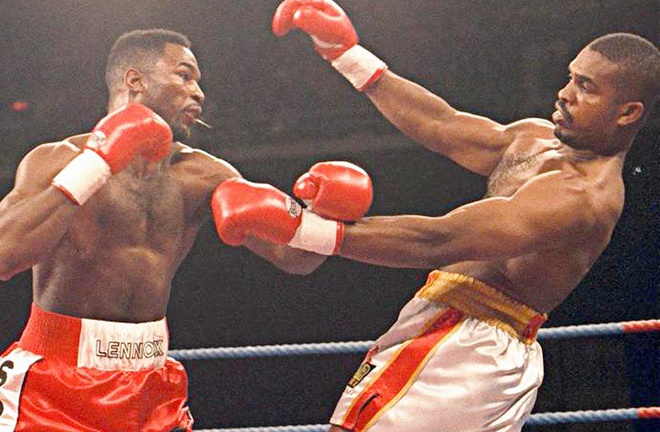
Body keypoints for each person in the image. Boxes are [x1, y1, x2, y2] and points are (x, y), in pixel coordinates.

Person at [211, 1, 660, 431]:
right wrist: (347, 55)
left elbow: (440, 241)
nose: (565, 93)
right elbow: (442, 125)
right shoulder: (535, 138)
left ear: (628, 112)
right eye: (570, 78)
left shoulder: (582, 197)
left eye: (586, 86)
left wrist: (301, 228)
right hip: (444, 322)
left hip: (473, 345)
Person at [0, 28, 374, 431]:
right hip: (54, 384)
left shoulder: (204, 174)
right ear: (135, 81)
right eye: (184, 75)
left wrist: (327, 211)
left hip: (151, 385)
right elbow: (5, 254)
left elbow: (294, 258)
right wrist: (96, 165)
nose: (199, 93)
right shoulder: (57, 160)